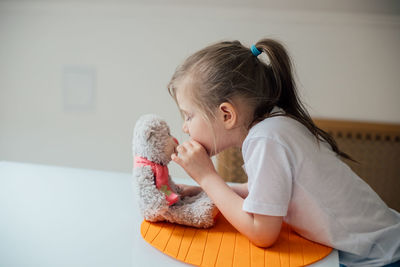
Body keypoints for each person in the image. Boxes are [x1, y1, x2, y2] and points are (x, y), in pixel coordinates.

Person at [167, 38, 400, 267]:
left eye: (188, 116)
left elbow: (262, 233)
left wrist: (208, 178)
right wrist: (204, 190)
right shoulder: (276, 125)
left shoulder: (266, 139)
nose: (185, 127)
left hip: (381, 258)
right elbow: (265, 195)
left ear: (226, 115)